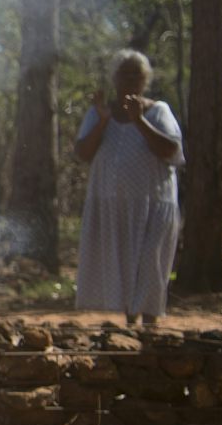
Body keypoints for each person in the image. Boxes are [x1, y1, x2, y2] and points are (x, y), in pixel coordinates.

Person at [74, 50, 184, 328]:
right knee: (122, 264)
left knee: (149, 263)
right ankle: (130, 325)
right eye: (125, 74)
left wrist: (139, 120)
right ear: (114, 78)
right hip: (113, 206)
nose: (131, 79)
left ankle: (150, 326)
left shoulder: (158, 111)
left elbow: (170, 150)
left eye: (137, 74)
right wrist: (102, 120)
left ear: (146, 80)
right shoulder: (100, 113)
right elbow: (83, 153)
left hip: (153, 205)